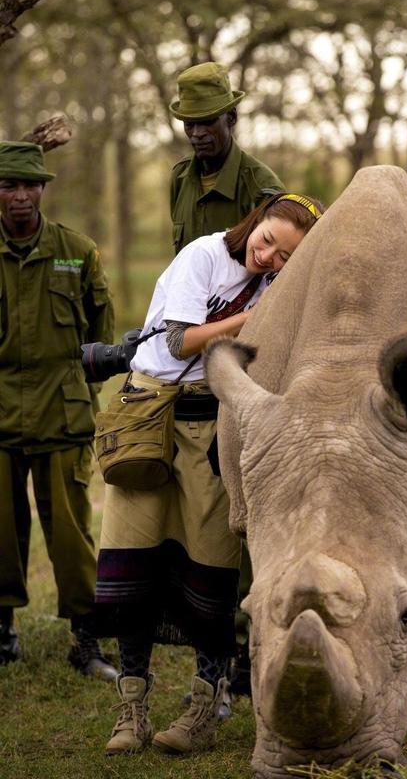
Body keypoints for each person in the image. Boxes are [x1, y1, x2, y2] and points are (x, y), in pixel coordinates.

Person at [96, 192, 324, 757]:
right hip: (148, 415)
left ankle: (204, 707)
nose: (268, 256)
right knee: (131, 558)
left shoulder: (280, 287)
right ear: (257, 219)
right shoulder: (204, 256)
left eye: (286, 257)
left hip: (213, 423)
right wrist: (258, 315)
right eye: (268, 238)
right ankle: (132, 707)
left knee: (212, 568)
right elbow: (178, 340)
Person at [0, 141, 117, 680]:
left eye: (31, 185)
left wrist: (81, 382)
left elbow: (102, 334)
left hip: (64, 414)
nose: (21, 196)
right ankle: (3, 633)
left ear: (44, 190)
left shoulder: (77, 250)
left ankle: (86, 640)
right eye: (9, 185)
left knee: (71, 535)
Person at [169, 61, 285, 254]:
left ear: (231, 117)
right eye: (190, 124)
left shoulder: (261, 188)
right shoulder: (179, 178)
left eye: (207, 121)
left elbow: (274, 271)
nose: (197, 133)